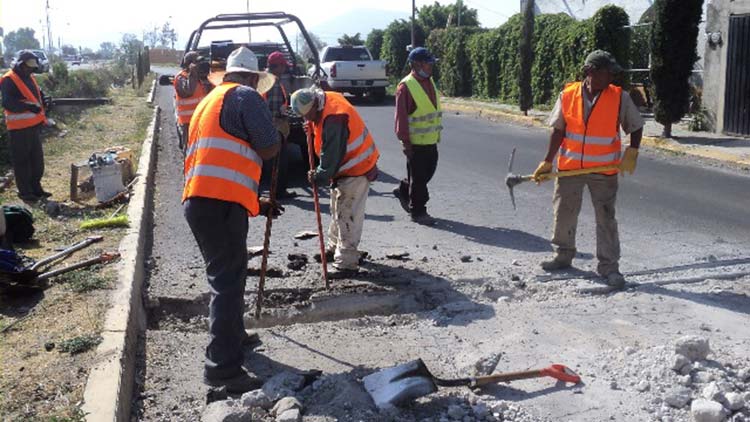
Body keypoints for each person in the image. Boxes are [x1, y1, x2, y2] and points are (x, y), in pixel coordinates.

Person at [182, 47, 280, 394]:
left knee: (229, 274)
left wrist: (255, 200)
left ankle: (234, 336)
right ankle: (221, 367)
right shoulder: (246, 97)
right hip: (219, 203)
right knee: (226, 280)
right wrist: (279, 132)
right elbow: (267, 146)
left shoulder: (211, 100)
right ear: (253, 78)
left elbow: (222, 157)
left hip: (201, 201)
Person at [533, 50, 643, 289]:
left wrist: (632, 151)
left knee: (606, 218)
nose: (611, 77)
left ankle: (609, 267)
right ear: (590, 72)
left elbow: (635, 125)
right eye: (607, 72)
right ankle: (563, 255)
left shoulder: (619, 97)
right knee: (564, 212)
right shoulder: (568, 95)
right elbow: (558, 130)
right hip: (570, 168)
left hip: (603, 170)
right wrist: (548, 161)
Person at [290, 87, 379, 275]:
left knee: (347, 213)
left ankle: (346, 262)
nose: (307, 120)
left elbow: (331, 156)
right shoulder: (324, 101)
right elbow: (320, 126)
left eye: (309, 115)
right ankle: (333, 248)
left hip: (356, 167)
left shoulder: (334, 118)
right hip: (346, 167)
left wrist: (319, 175)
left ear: (315, 104)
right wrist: (312, 126)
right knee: (336, 208)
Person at [393, 47, 443, 226]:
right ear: (416, 64)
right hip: (416, 143)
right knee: (420, 179)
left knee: (426, 174)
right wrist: (405, 142)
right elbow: (401, 117)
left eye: (431, 63)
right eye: (428, 63)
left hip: (430, 141)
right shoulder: (405, 87)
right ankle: (418, 211)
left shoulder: (429, 81)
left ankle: (405, 189)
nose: (431, 67)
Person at [0, 50, 52, 202]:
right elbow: (8, 102)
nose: (30, 69)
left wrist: (45, 100)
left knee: (37, 161)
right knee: (22, 162)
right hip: (18, 129)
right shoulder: (9, 79)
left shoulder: (29, 77)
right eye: (27, 67)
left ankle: (36, 188)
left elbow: (37, 94)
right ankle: (26, 193)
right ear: (20, 64)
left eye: (32, 67)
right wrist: (28, 106)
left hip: (33, 126)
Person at [261, 51, 296, 199]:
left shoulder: (263, 78)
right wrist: (286, 114)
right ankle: (278, 192)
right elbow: (274, 109)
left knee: (271, 161)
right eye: (284, 67)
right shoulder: (273, 82)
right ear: (278, 66)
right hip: (274, 126)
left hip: (265, 124)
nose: (285, 70)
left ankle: (274, 190)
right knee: (279, 161)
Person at [174, 51, 213, 152]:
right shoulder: (181, 77)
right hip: (188, 122)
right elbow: (188, 91)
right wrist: (193, 74)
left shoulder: (200, 78)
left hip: (202, 119)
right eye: (197, 62)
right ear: (189, 64)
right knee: (189, 149)